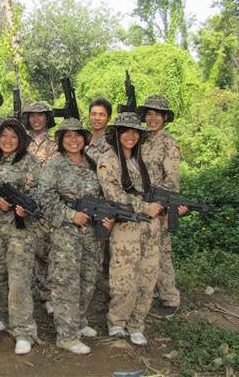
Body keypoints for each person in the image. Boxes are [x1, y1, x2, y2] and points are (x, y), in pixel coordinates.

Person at [36, 118, 105, 355]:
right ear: (61, 140)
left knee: (89, 278)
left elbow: (102, 194)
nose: (73, 140)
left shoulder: (92, 163)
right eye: (68, 136)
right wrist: (70, 215)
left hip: (91, 233)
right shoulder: (55, 165)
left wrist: (105, 215)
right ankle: (66, 336)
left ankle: (79, 321)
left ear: (85, 138)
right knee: (66, 282)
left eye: (77, 135)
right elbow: (44, 198)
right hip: (66, 233)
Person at [97, 112, 164, 346]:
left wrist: (165, 206)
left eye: (135, 132)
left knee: (148, 277)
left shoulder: (141, 159)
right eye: (125, 131)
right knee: (123, 278)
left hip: (149, 228)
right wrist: (145, 207)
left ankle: (137, 324)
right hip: (125, 227)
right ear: (117, 134)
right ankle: (117, 321)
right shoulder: (108, 160)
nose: (131, 136)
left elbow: (155, 190)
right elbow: (113, 195)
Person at [0, 119, 40, 355]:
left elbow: (39, 192)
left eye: (13, 137)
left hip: (21, 231)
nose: (8, 141)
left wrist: (26, 208)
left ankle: (24, 331)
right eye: (4, 136)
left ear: (21, 140)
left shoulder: (29, 162)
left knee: (19, 282)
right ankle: (7, 318)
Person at [136, 95, 185, 317]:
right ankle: (151, 290)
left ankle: (170, 299)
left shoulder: (168, 143)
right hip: (142, 204)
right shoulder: (142, 139)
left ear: (165, 117)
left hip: (160, 203)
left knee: (162, 251)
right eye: (149, 114)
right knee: (144, 249)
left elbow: (172, 180)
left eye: (157, 114)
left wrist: (162, 204)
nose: (152, 118)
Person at [21, 101, 57, 315]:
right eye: (32, 116)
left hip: (45, 203)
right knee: (23, 251)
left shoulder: (55, 143)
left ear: (47, 118)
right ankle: (25, 296)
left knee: (44, 251)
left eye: (41, 115)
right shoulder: (21, 141)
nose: (36, 119)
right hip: (22, 202)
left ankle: (46, 295)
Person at [85, 97, 113, 164]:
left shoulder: (111, 142)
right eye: (94, 114)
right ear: (89, 116)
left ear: (108, 118)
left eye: (102, 115)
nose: (97, 118)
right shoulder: (83, 139)